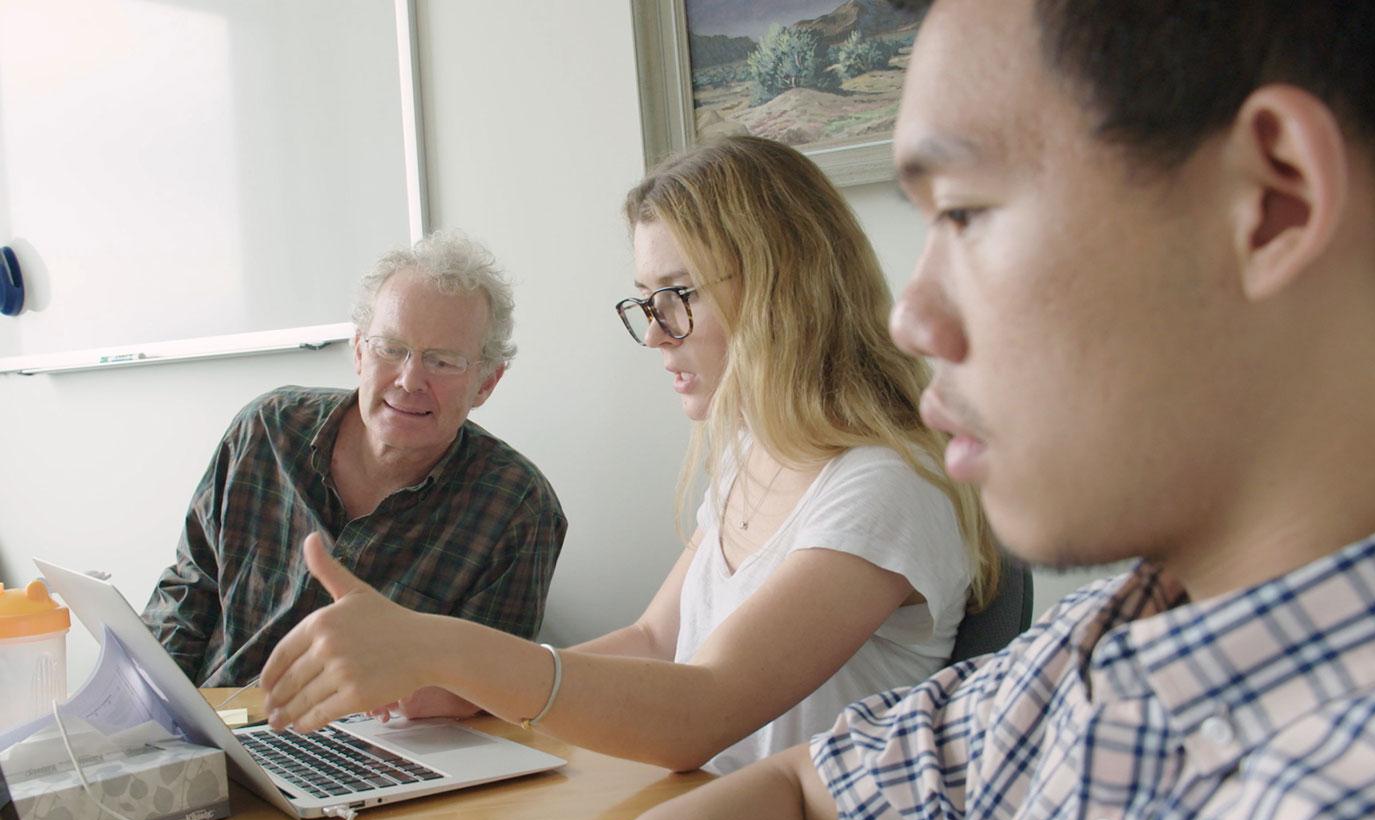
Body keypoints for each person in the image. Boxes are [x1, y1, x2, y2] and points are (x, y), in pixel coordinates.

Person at [293, 0, 1375, 820]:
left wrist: (452, 652)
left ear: (1272, 202)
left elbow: (709, 709)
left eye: (970, 214)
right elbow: (797, 799)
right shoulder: (1074, 665)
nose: (912, 312)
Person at [260, 135, 999, 782]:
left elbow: (700, 711)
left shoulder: (885, 487)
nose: (655, 335)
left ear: (783, 288)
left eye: (677, 296)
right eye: (647, 302)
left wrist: (444, 648)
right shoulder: (754, 454)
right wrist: (458, 686)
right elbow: (654, 641)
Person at [144, 230, 567, 723]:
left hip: (372, 757)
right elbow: (188, 590)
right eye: (391, 349)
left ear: (486, 383)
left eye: (443, 361)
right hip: (211, 725)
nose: (410, 380)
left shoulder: (516, 508)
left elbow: (487, 694)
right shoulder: (266, 431)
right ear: (360, 352)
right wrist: (154, 717)